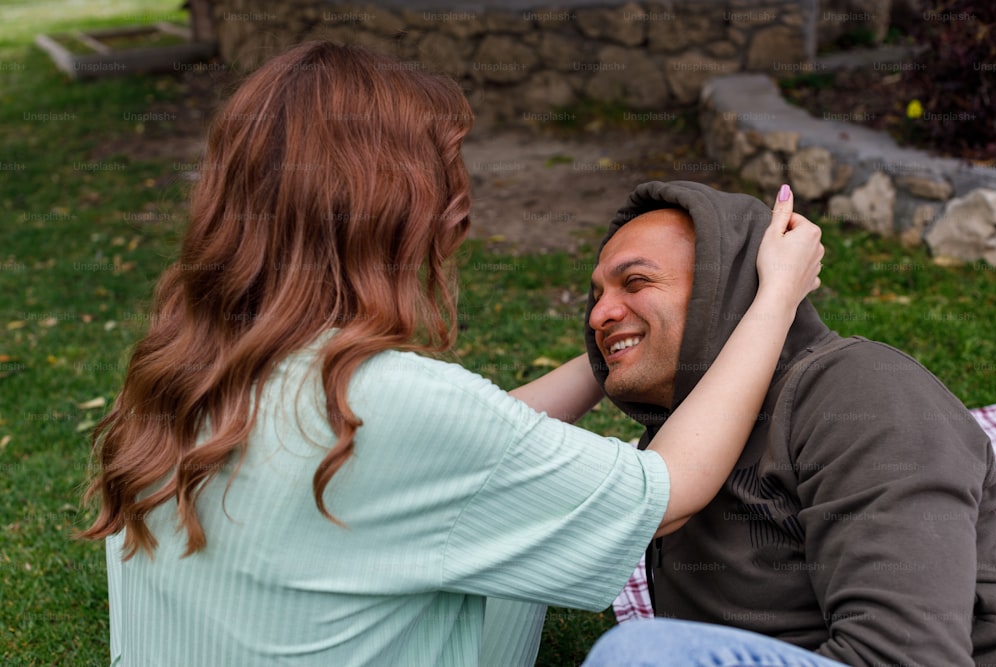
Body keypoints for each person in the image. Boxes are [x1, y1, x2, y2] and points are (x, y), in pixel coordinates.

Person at [78, 42, 826, 666]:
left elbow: (469, 448)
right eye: (442, 176)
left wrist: (613, 354)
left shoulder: (177, 372)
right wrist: (774, 295)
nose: (457, 204)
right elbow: (667, 490)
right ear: (386, 204)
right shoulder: (392, 402)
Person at [583, 179, 996, 667]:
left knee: (638, 655)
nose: (597, 316)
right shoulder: (678, 440)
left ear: (725, 291)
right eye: (596, 296)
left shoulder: (858, 390)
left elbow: (908, 655)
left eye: (636, 282)